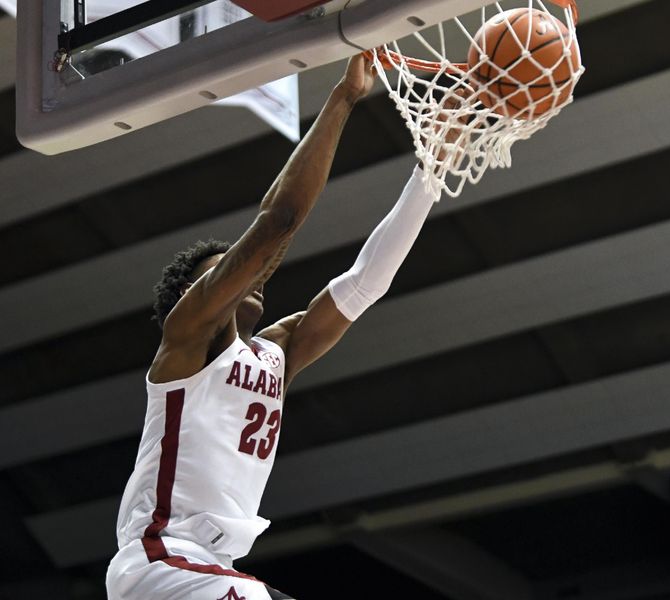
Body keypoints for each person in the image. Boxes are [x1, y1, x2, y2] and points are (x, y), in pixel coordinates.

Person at [105, 55, 441, 600]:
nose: (247, 275)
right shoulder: (189, 339)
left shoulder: (275, 353)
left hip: (213, 566)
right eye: (225, 274)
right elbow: (278, 220)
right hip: (162, 561)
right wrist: (343, 98)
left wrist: (427, 175)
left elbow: (363, 285)